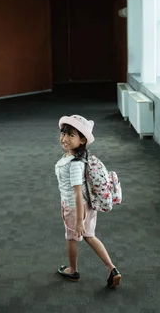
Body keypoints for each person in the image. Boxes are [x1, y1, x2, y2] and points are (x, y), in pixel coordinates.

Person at [55, 114, 121, 288]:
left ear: (82, 140)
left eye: (71, 135)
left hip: (74, 207)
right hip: (88, 206)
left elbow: (77, 193)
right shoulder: (78, 158)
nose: (65, 138)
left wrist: (78, 221)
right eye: (63, 133)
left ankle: (73, 270)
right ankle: (112, 269)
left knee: (71, 239)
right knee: (90, 236)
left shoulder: (74, 164)